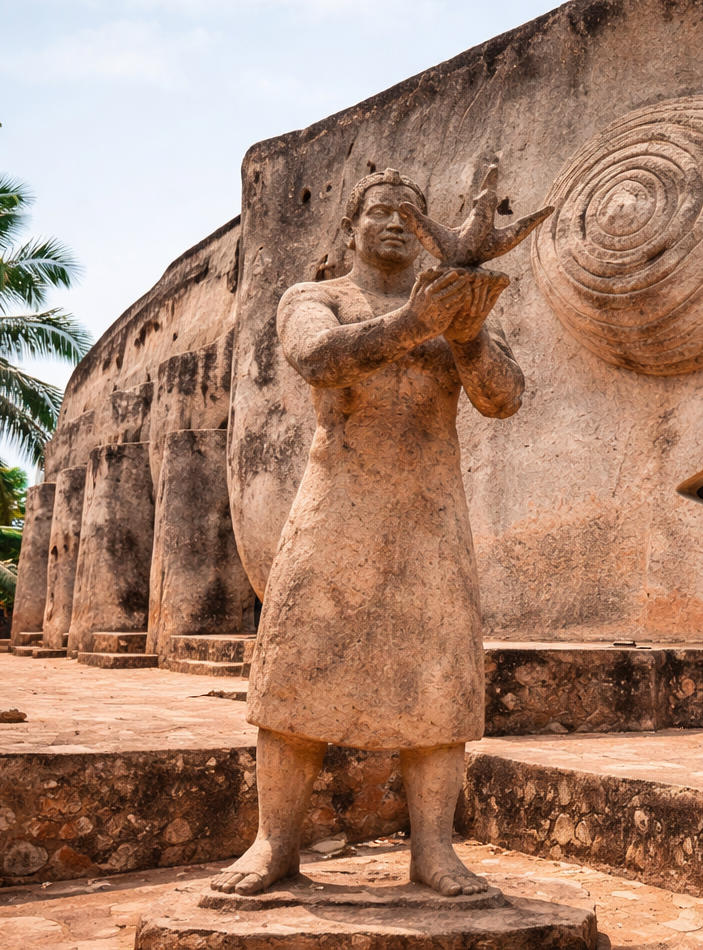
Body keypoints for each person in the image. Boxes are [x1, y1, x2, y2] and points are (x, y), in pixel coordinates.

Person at [216, 167, 540, 897]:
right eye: (379, 210)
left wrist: (466, 334)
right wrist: (414, 324)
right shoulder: (315, 297)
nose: (395, 223)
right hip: (337, 508)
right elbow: (317, 359)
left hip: (429, 517)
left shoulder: (451, 308)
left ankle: (434, 850)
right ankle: (274, 843)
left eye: (410, 214)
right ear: (350, 228)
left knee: (438, 686)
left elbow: (503, 398)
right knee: (297, 675)